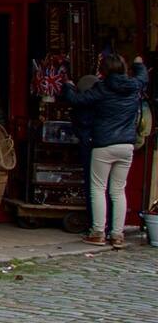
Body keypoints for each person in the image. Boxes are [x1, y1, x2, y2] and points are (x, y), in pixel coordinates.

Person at [63, 54, 147, 248]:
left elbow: (77, 100)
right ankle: (117, 235)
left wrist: (68, 85)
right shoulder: (134, 85)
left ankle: (98, 232)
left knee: (98, 189)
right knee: (118, 190)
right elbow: (143, 77)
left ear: (104, 70)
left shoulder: (102, 88)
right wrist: (138, 64)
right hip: (126, 145)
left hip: (104, 144)